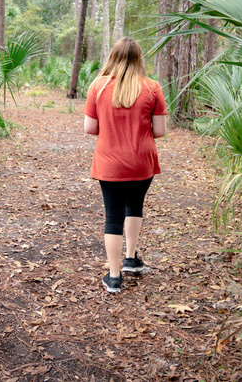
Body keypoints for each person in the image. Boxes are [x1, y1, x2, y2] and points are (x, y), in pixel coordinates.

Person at [83, 37, 168, 293]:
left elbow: (90, 128)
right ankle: (131, 258)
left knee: (113, 217)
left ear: (113, 57)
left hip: (110, 163)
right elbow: (160, 131)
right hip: (142, 162)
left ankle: (114, 275)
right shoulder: (152, 87)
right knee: (135, 206)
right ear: (139, 58)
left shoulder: (98, 86)